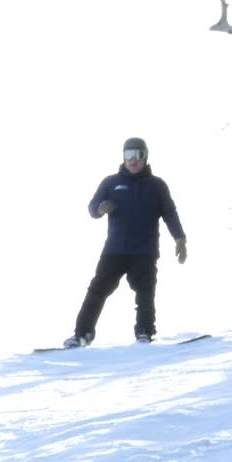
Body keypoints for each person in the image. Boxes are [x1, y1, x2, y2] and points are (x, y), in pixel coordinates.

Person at [62, 137, 187, 347]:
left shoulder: (157, 186)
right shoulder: (111, 183)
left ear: (145, 157)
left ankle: (145, 333)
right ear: (123, 157)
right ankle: (82, 335)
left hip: (144, 251)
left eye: (137, 155)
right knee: (97, 291)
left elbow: (170, 213)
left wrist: (180, 238)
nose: (133, 160)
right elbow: (92, 207)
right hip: (114, 251)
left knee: (145, 293)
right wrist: (100, 208)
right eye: (129, 155)